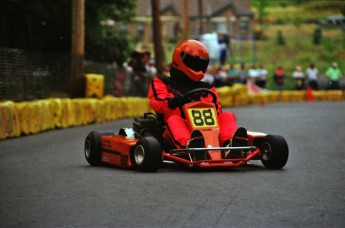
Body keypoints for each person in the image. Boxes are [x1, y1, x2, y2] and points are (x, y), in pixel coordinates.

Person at [148, 40, 247, 158]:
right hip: (170, 132)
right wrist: (174, 101)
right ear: (180, 59)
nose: (198, 67)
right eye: (194, 63)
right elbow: (157, 102)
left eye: (201, 64)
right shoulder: (162, 82)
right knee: (174, 119)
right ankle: (190, 147)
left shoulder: (208, 88)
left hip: (208, 131)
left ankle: (228, 146)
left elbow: (217, 111)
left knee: (227, 116)